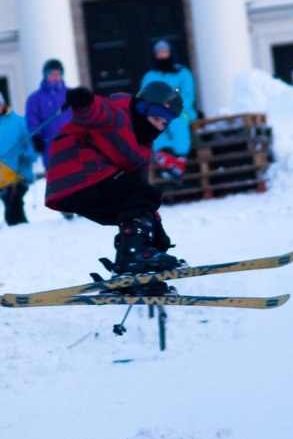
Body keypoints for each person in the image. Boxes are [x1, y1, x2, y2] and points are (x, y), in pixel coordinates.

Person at [45, 81, 184, 273]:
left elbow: (140, 192)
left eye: (163, 124)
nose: (159, 128)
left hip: (85, 187)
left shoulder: (142, 147)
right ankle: (133, 257)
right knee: (140, 194)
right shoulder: (118, 114)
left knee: (142, 197)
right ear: (142, 109)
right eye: (156, 119)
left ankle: (131, 265)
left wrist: (156, 227)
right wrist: (84, 101)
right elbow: (96, 111)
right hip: (77, 172)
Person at [140, 40, 197, 181]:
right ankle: (166, 155)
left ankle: (180, 156)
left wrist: (173, 105)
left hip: (180, 111)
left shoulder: (183, 73)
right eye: (159, 53)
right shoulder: (150, 76)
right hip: (157, 112)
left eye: (164, 52)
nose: (162, 55)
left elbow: (188, 95)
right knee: (154, 127)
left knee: (178, 124)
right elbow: (143, 96)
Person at [0, 89, 35, 226]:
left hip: (19, 174)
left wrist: (27, 156)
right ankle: (21, 236)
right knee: (11, 209)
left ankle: (24, 235)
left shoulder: (19, 122)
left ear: (2, 104)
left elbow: (31, 146)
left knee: (13, 208)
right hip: (0, 178)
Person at [25, 59, 73, 170]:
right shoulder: (35, 98)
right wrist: (36, 137)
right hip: (50, 146)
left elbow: (80, 114)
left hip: (72, 143)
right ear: (45, 76)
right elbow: (32, 120)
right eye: (52, 74)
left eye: (58, 74)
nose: (55, 77)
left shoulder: (71, 94)